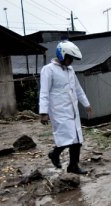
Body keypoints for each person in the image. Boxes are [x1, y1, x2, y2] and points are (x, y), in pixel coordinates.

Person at [39, 40, 92, 174]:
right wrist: (43, 112)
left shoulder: (70, 70)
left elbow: (77, 88)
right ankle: (55, 154)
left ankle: (73, 166)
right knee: (66, 139)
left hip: (72, 110)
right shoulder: (48, 70)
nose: (71, 62)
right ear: (62, 55)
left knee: (77, 140)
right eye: (70, 58)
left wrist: (86, 103)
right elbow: (44, 92)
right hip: (59, 110)